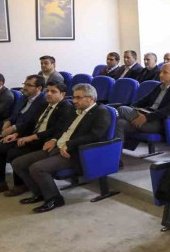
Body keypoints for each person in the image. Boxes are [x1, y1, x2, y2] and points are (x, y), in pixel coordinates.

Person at [11, 83, 111, 213]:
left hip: (75, 152)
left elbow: (95, 136)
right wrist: (54, 140)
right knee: (18, 163)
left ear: (91, 98)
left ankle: (54, 199)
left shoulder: (101, 112)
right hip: (58, 147)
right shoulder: (75, 110)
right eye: (74, 97)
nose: (74, 101)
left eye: (78, 97)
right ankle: (40, 193)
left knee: (37, 168)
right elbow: (62, 129)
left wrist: (69, 144)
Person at [0, 82, 75, 197]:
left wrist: (31, 137)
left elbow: (56, 130)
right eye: (47, 91)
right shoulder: (44, 104)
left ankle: (20, 185)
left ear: (62, 94)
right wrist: (17, 133)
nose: (49, 94)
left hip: (45, 141)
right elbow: (30, 123)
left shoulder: (66, 108)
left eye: (53, 91)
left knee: (14, 153)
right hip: (32, 137)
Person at [116, 64, 170, 148]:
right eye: (160, 72)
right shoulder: (159, 86)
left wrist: (147, 117)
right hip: (146, 115)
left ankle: (104, 138)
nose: (161, 75)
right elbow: (144, 101)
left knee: (121, 109)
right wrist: (134, 109)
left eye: (165, 72)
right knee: (120, 123)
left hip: (159, 122)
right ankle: (117, 153)